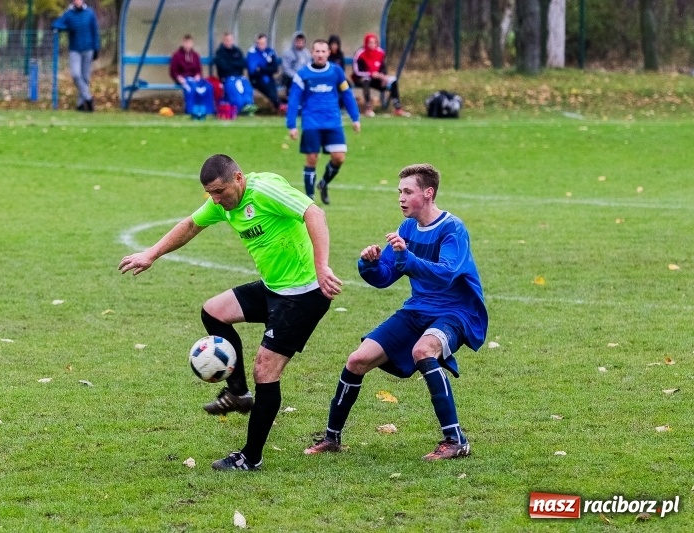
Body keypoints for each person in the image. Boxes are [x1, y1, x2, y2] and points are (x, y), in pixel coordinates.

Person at [118, 154, 343, 471]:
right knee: (214, 311)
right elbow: (191, 225)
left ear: (238, 178)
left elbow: (314, 213)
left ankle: (251, 457)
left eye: (220, 192)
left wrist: (322, 268)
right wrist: (151, 254)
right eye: (210, 193)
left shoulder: (265, 190)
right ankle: (238, 394)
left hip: (304, 294)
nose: (216, 200)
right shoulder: (223, 201)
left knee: (266, 370)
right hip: (273, 288)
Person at [303, 163, 488, 461]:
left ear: (428, 193)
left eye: (407, 191)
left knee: (423, 350)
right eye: (399, 192)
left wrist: (407, 256)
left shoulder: (453, 228)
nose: (401, 198)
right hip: (418, 310)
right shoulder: (407, 228)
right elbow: (385, 277)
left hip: (456, 312)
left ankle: (456, 440)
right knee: (357, 360)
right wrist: (371, 263)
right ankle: (332, 438)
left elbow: (446, 273)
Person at [286, 39, 361, 205]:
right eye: (317, 51)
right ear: (312, 53)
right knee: (312, 158)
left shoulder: (336, 72)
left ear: (328, 53)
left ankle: (324, 183)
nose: (320, 54)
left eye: (323, 51)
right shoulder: (303, 74)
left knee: (339, 157)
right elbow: (293, 100)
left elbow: (347, 94)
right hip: (311, 122)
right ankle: (310, 200)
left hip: (333, 122)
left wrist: (355, 117)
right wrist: (291, 125)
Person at [52, 0, 101, 112]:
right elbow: (56, 24)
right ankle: (88, 99)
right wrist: (66, 28)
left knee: (85, 77)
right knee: (76, 75)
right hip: (75, 49)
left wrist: (96, 48)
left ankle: (80, 105)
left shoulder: (90, 12)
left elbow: (95, 31)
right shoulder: (69, 14)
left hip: (88, 49)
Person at [352, 32, 408, 117]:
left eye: (374, 42)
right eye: (370, 42)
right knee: (366, 80)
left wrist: (383, 77)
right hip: (361, 78)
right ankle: (368, 108)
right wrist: (371, 74)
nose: (372, 44)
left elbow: (383, 68)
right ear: (366, 43)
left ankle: (397, 108)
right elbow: (357, 71)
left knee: (393, 80)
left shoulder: (380, 53)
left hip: (377, 79)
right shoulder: (360, 54)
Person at [169, 34, 214, 119]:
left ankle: (207, 110)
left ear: (192, 43)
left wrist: (198, 75)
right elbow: (173, 71)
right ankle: (191, 110)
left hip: (195, 79)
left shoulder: (195, 55)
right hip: (184, 79)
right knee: (192, 88)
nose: (187, 45)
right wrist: (178, 78)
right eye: (186, 43)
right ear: (182, 43)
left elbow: (199, 70)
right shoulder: (177, 55)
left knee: (209, 87)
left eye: (189, 43)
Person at [214, 32, 256, 114]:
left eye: (230, 40)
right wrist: (235, 64)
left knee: (247, 88)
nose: (229, 42)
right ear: (223, 41)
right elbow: (223, 67)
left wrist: (231, 63)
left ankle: (249, 105)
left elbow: (243, 64)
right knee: (235, 91)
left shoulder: (237, 51)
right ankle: (240, 108)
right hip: (227, 78)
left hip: (239, 76)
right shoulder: (220, 52)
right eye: (227, 40)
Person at [246, 33, 283, 113]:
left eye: (264, 43)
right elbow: (253, 71)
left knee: (273, 90)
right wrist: (267, 70)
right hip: (256, 80)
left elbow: (275, 68)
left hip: (268, 78)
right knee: (270, 92)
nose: (262, 45)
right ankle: (279, 107)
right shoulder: (252, 52)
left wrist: (262, 69)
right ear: (257, 42)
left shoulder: (270, 52)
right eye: (260, 43)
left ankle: (279, 107)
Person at [280, 31, 311, 97]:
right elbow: (286, 69)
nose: (300, 43)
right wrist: (296, 76)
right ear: (294, 41)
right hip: (291, 77)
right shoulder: (287, 53)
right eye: (298, 41)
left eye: (302, 42)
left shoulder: (307, 53)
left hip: (304, 76)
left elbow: (309, 66)